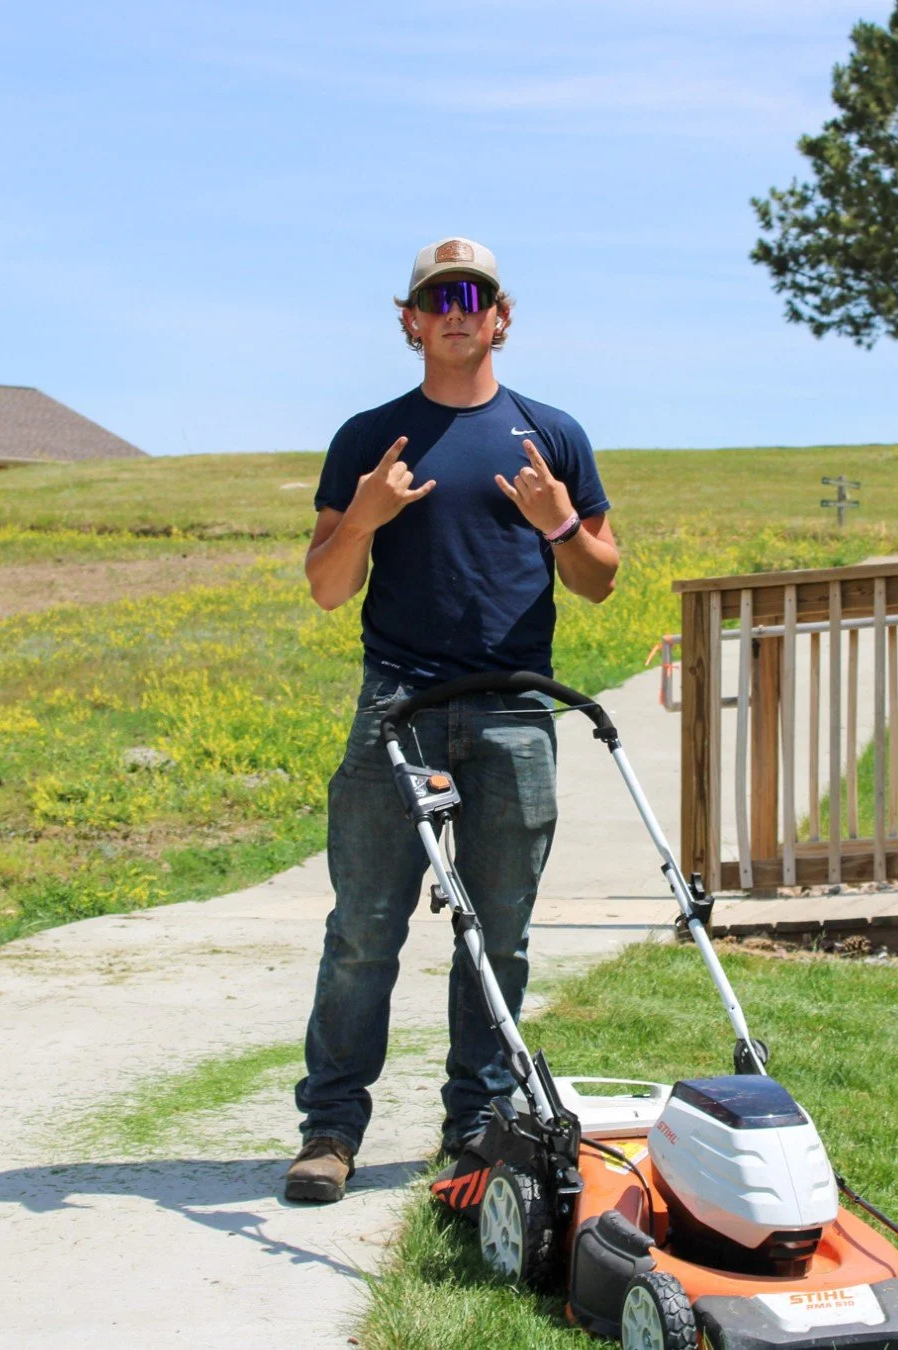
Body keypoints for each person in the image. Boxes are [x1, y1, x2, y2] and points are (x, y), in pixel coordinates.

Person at [285, 236, 620, 1202]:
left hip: (516, 714)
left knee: (498, 935)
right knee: (363, 930)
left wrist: (560, 523)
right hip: (397, 712)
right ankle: (331, 1129)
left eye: (475, 296)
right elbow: (326, 587)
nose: (458, 312)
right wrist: (364, 516)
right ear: (411, 321)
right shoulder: (370, 438)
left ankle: (476, 1125)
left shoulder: (551, 435)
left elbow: (600, 580)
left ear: (502, 316)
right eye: (440, 298)